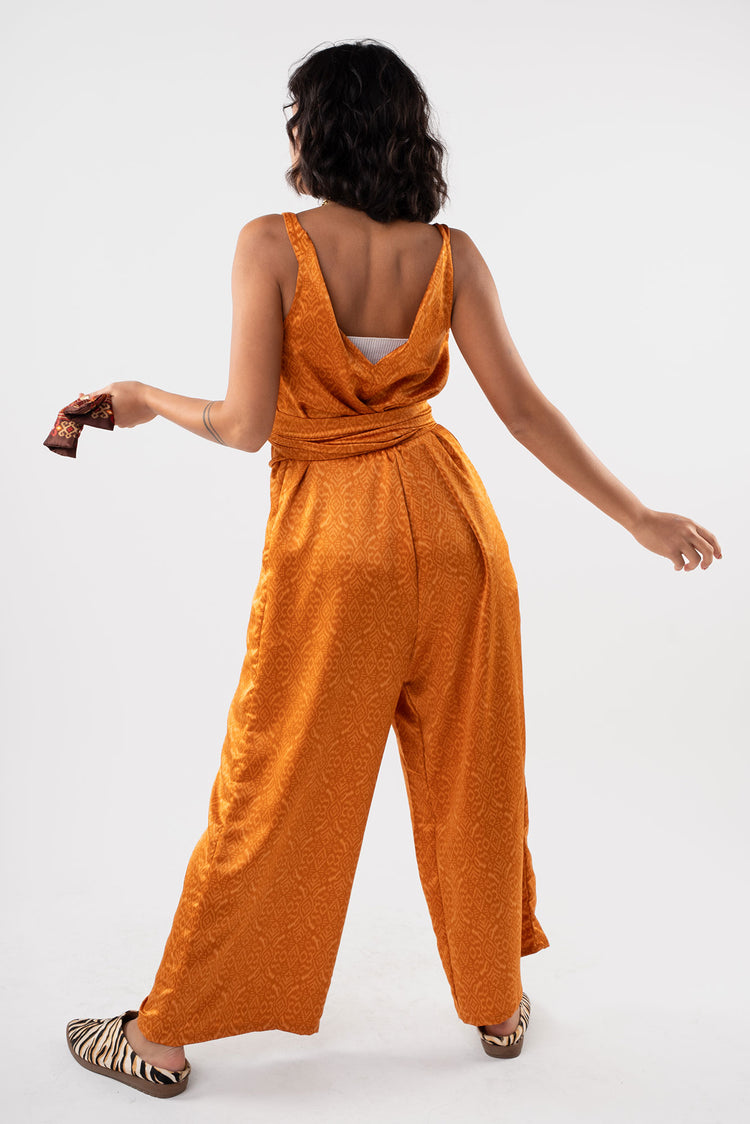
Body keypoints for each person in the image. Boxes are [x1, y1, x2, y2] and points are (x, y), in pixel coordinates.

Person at [65, 39, 722, 1098]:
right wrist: (636, 515)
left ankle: (162, 1036)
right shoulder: (451, 252)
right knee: (475, 766)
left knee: (277, 778)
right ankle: (497, 1002)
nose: (288, 131)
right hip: (455, 526)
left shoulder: (271, 244)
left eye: (296, 115)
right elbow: (522, 408)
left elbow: (241, 423)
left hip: (337, 545)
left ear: (318, 129)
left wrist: (143, 398)